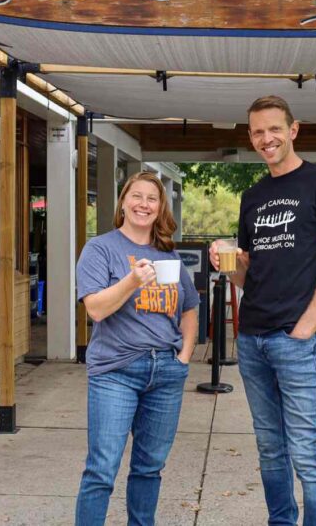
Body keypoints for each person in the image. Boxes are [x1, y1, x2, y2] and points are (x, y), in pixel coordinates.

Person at [209, 95, 316, 526]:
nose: (266, 138)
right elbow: (248, 275)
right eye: (257, 132)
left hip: (294, 341)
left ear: (293, 130)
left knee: (307, 452)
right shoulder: (253, 196)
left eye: (274, 129)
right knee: (270, 448)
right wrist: (226, 258)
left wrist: (304, 330)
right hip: (251, 339)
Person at [75, 171, 199, 526]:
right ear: (123, 202)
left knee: (149, 468)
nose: (144, 204)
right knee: (102, 469)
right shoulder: (101, 249)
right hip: (116, 372)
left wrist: (184, 356)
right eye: (137, 196)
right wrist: (132, 280)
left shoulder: (169, 255)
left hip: (166, 373)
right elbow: (96, 308)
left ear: (160, 208)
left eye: (152, 199)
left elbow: (190, 307)